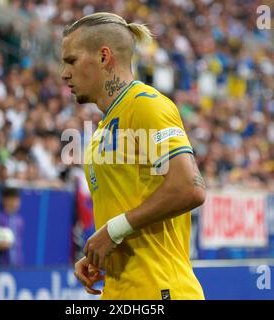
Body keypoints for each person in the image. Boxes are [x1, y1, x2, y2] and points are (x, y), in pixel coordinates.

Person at [61, 12, 206, 300]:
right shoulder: (102, 129)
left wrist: (111, 232)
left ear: (104, 57)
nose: (64, 73)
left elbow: (190, 188)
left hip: (161, 289)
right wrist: (99, 252)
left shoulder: (147, 106)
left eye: (71, 61)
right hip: (119, 292)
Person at [0, 186, 24, 267]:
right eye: (12, 200)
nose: (15, 203)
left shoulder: (19, 220)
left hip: (18, 266)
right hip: (0, 265)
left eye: (17, 200)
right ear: (4, 200)